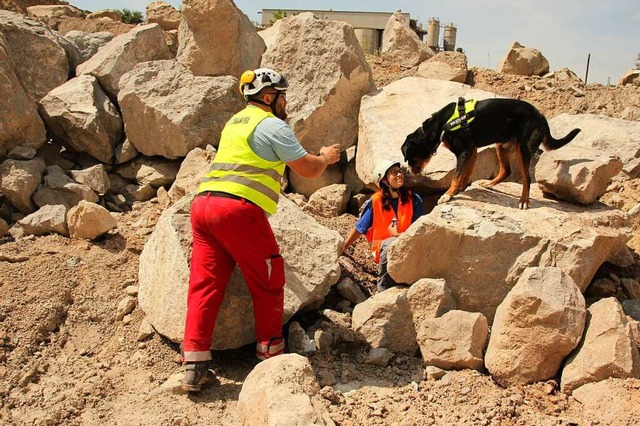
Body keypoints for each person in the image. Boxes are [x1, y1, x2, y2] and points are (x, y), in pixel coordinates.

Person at [182, 68, 341, 392]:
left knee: (204, 286)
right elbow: (308, 169)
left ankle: (194, 366)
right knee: (269, 278)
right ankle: (271, 355)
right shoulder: (271, 124)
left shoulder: (236, 122)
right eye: (282, 96)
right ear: (269, 97)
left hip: (203, 207)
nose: (286, 102)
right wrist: (326, 157)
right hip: (238, 211)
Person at [341, 160, 425, 292]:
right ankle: (384, 288)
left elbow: (420, 231)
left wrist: (397, 235)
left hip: (410, 246)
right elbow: (359, 228)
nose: (399, 174)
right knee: (392, 243)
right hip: (384, 249)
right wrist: (343, 247)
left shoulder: (414, 199)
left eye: (399, 171)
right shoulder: (375, 202)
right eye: (393, 173)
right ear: (384, 181)